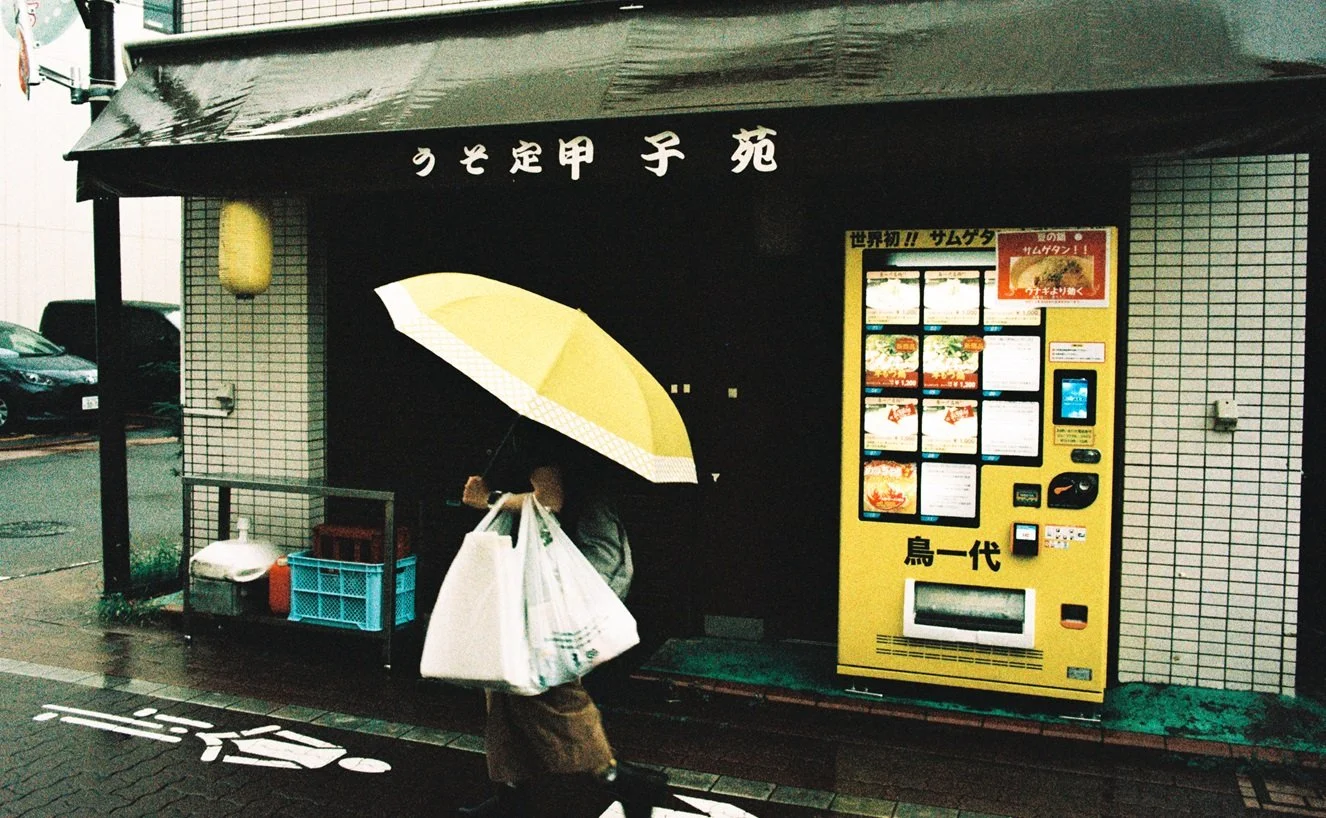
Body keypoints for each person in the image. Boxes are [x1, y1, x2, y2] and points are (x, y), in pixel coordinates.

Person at [456, 426, 668, 818]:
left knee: (545, 681)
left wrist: (487, 498)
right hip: (568, 563)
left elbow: (549, 500)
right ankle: (511, 796)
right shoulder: (546, 426)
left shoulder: (539, 432)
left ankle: (622, 781)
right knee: (504, 677)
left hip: (580, 567)